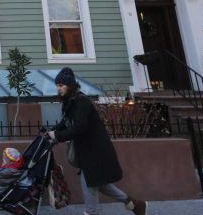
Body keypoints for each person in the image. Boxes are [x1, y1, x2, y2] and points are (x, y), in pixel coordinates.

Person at [46, 67, 148, 215]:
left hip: (95, 151)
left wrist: (58, 136)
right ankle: (134, 204)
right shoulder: (71, 102)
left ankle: (91, 212)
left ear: (70, 86)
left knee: (89, 182)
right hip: (88, 151)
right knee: (101, 185)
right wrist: (51, 132)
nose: (59, 89)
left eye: (61, 85)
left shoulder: (82, 102)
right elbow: (65, 123)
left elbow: (80, 127)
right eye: (57, 86)